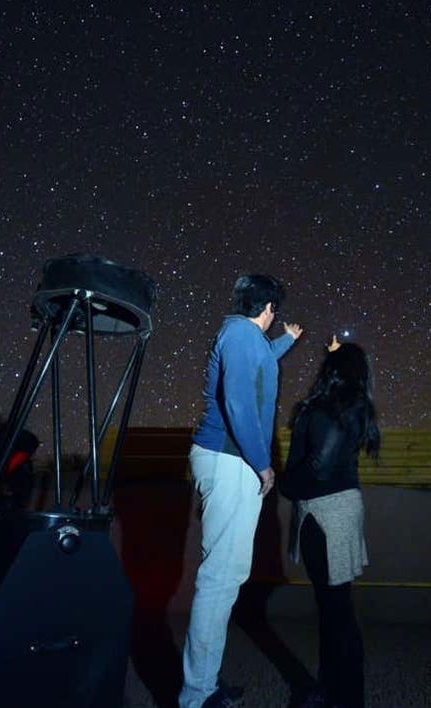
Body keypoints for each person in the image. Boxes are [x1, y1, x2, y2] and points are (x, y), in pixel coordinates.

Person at [180, 274, 303, 708]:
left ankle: (204, 685)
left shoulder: (245, 338)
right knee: (219, 580)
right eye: (276, 312)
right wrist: (262, 461)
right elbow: (237, 401)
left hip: (232, 459)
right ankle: (196, 695)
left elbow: (257, 366)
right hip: (233, 459)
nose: (276, 319)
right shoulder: (239, 334)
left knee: (227, 576)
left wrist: (284, 343)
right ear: (267, 308)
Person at [280, 335, 380, 708]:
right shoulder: (350, 405)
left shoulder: (334, 407)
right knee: (335, 607)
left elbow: (318, 467)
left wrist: (283, 483)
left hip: (326, 514)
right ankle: (335, 690)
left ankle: (343, 696)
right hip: (335, 511)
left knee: (336, 610)